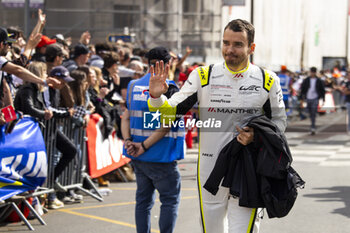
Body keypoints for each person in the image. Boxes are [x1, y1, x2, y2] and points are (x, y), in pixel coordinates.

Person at [147, 19, 286, 233]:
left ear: (251, 48)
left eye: (238, 44)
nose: (230, 50)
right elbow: (169, 113)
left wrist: (256, 137)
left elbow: (279, 122)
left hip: (248, 170)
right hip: (211, 170)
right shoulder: (204, 76)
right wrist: (157, 96)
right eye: (226, 43)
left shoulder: (267, 80)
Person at [121, 46, 185, 233]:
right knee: (170, 200)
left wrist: (128, 142)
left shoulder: (133, 86)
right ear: (168, 64)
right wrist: (143, 146)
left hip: (138, 157)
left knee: (143, 202)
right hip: (161, 156)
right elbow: (166, 125)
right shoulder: (170, 88)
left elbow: (125, 117)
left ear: (147, 63)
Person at [300, 67, 325, 135]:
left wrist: (323, 99)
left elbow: (322, 90)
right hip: (308, 98)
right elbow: (303, 89)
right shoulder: (306, 80)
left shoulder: (319, 80)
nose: (312, 73)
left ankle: (313, 126)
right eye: (311, 72)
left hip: (315, 98)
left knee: (313, 112)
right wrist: (301, 98)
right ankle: (311, 124)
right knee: (309, 112)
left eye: (313, 72)